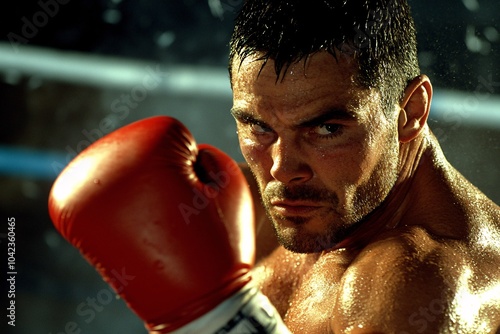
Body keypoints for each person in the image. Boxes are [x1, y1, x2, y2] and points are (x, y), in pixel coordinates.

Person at [48, 0, 500, 333]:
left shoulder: (423, 284)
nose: (283, 169)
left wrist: (215, 320)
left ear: (410, 110)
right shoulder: (262, 209)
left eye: (325, 130)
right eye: (259, 128)